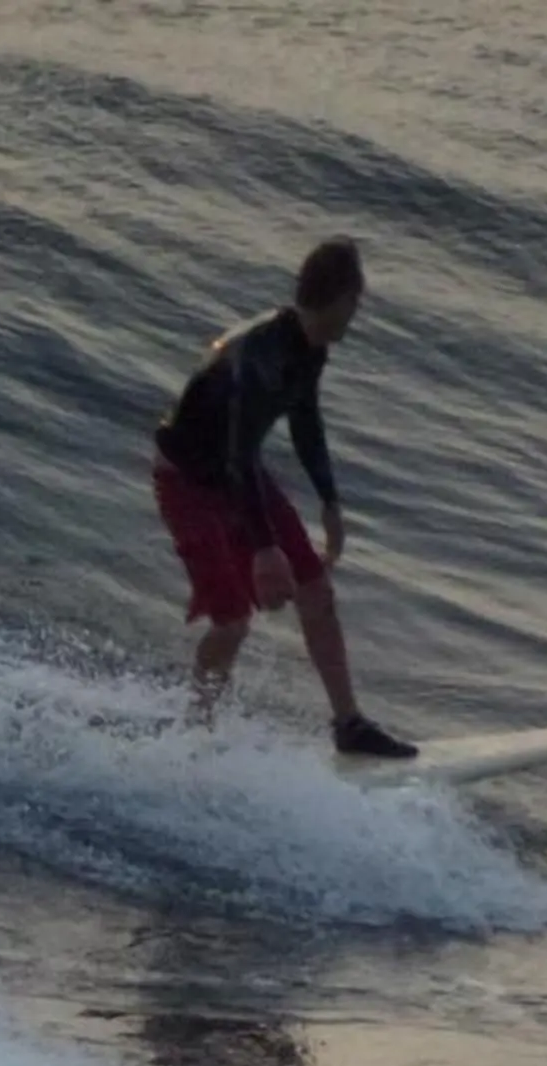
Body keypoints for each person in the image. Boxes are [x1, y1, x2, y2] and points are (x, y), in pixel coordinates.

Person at [152, 236, 416, 757]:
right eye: (356, 303)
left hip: (240, 470)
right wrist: (266, 549)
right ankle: (194, 736)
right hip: (189, 481)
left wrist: (330, 502)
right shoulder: (260, 354)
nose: (356, 315)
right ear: (341, 298)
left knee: (315, 587)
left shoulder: (309, 349)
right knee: (232, 621)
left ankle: (349, 725)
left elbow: (305, 421)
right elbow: (234, 453)